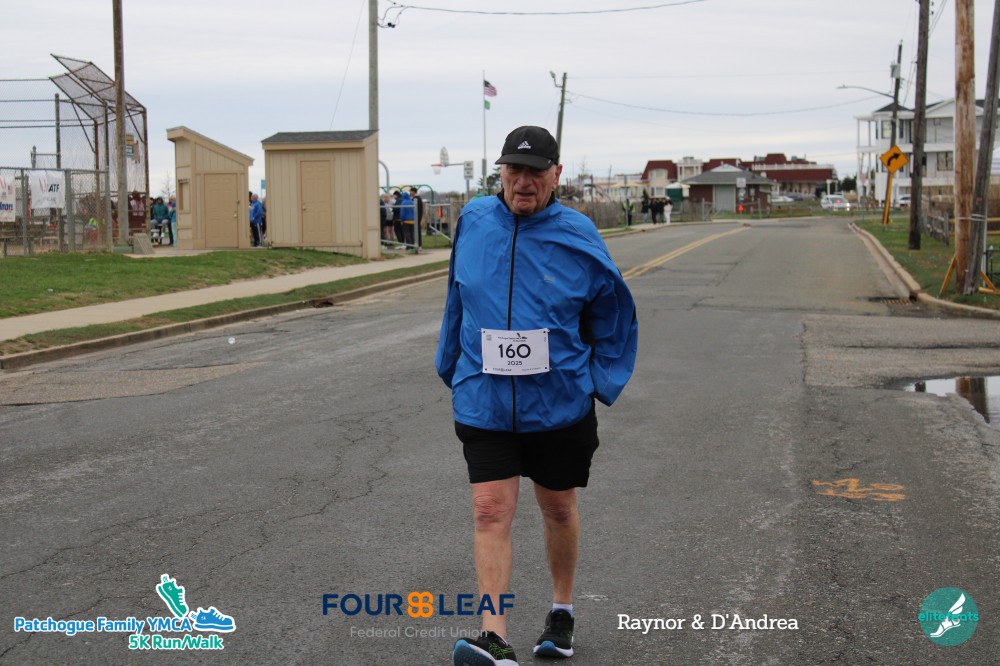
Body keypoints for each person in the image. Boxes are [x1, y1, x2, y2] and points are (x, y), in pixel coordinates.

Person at [437, 126, 638, 666]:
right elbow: (457, 297)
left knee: (558, 507)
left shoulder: (577, 234)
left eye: (535, 171)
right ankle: (493, 636)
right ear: (500, 172)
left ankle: (561, 612)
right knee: (489, 510)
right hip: (485, 399)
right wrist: (451, 364)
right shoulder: (475, 220)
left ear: (556, 175)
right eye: (514, 170)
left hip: (558, 404)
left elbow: (614, 312)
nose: (523, 182)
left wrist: (596, 380)